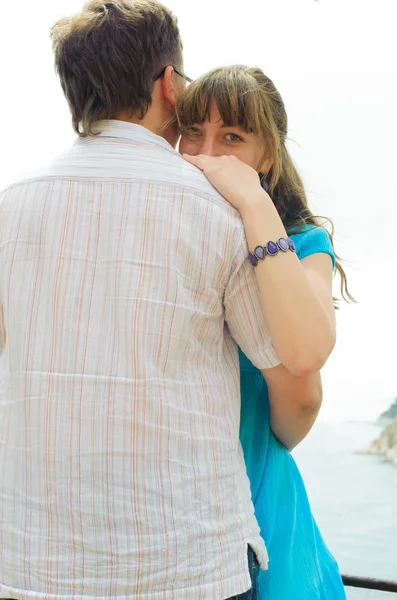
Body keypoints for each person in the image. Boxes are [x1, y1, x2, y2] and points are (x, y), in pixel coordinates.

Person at [0, 4, 306, 600]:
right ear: (170, 84)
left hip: (30, 561)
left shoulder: (7, 210)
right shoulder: (219, 211)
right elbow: (293, 378)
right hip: (189, 563)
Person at [177, 65, 350, 598]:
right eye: (193, 133)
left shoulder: (302, 242)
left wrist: (253, 203)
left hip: (258, 489)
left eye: (232, 137)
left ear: (267, 155)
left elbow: (304, 376)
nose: (207, 153)